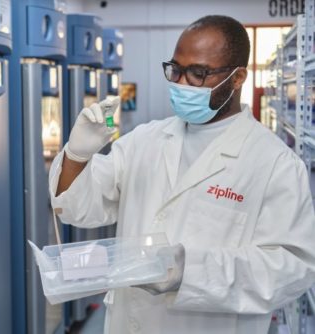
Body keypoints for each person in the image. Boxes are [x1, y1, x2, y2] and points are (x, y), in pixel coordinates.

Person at [49, 15, 315, 334]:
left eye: (198, 73)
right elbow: (76, 210)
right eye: (175, 69)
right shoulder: (144, 141)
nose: (181, 82)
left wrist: (189, 271)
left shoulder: (275, 163)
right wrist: (78, 155)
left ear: (237, 77)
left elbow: (292, 269)